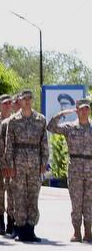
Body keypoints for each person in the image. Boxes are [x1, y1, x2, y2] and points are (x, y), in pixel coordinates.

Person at [3, 90, 49, 242]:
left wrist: (43, 163)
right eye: (24, 99)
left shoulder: (40, 119)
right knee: (19, 197)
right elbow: (8, 145)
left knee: (33, 197)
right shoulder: (13, 121)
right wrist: (9, 164)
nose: (27, 101)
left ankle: (31, 229)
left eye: (30, 98)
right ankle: (21, 229)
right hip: (18, 164)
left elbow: (44, 143)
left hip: (35, 163)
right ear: (20, 101)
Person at [47, 98, 92, 242]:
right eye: (82, 109)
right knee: (76, 201)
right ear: (77, 110)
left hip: (91, 167)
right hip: (75, 168)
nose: (85, 111)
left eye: (87, 108)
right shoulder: (70, 127)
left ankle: (88, 231)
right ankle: (77, 231)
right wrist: (62, 113)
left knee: (89, 201)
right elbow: (51, 127)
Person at [0, 95, 14, 236]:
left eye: (9, 103)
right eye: (4, 104)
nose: (7, 106)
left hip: (11, 165)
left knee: (12, 195)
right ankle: (1, 224)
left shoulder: (15, 121)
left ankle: (11, 224)